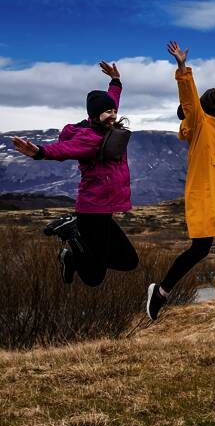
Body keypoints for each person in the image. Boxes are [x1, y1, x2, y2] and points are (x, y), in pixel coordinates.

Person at [145, 41, 215, 320]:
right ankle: (161, 292)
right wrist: (183, 69)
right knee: (201, 248)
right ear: (209, 107)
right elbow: (190, 100)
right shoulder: (200, 122)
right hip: (206, 194)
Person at [12, 63, 138, 286]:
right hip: (91, 211)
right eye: (108, 112)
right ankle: (71, 251)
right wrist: (40, 152)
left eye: (114, 111)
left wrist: (116, 81)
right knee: (93, 278)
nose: (113, 115)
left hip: (104, 211)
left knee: (129, 261)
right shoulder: (88, 138)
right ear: (95, 115)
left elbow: (110, 101)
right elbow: (64, 150)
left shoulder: (107, 125)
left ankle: (86, 256)